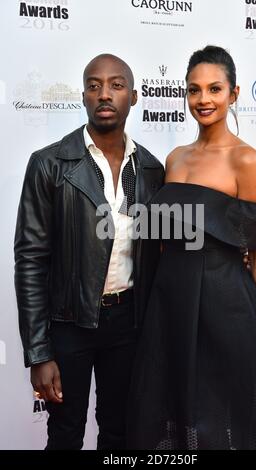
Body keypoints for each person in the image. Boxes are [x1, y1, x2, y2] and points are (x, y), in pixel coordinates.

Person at [127, 45, 256, 450]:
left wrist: (252, 333)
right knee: (174, 412)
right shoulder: (175, 158)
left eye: (215, 89)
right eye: (194, 90)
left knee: (221, 418)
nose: (204, 100)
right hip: (171, 303)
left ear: (233, 94)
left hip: (226, 307)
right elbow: (164, 240)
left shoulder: (245, 160)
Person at [14, 53, 164, 450]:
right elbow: (29, 260)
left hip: (129, 326)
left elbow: (164, 252)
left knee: (121, 434)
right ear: (83, 96)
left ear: (133, 97)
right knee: (65, 435)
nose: (104, 94)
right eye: (94, 85)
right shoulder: (48, 164)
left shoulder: (151, 170)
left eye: (116, 85)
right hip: (68, 325)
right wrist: (39, 353)